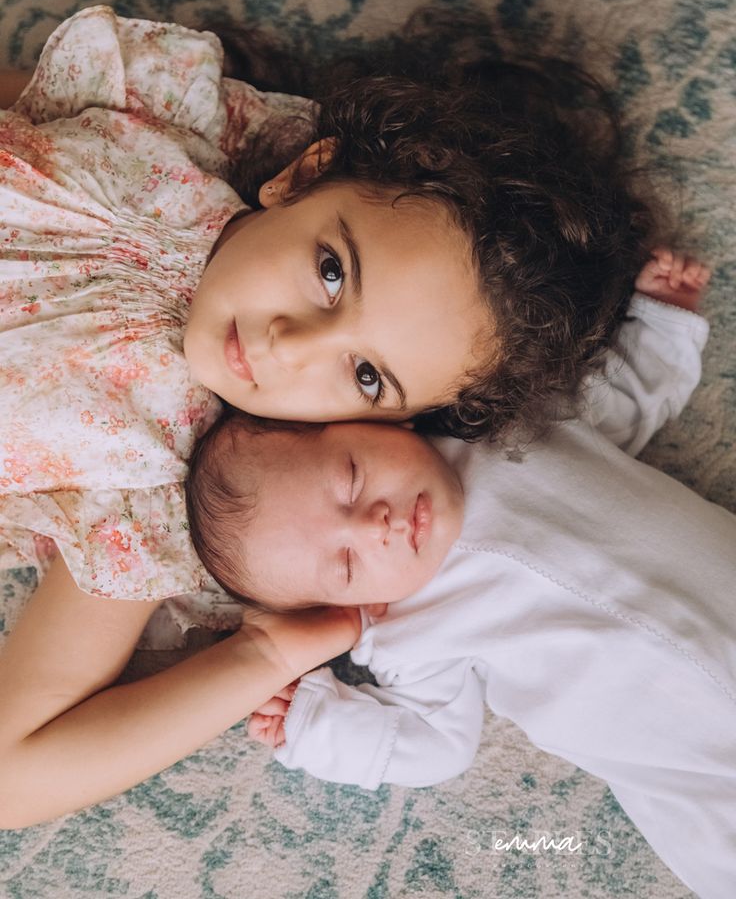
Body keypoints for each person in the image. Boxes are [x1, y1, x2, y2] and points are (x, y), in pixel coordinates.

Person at [0, 2, 675, 826]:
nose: (289, 342)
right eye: (330, 272)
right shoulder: (167, 132)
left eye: (363, 374)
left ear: (383, 427)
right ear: (301, 177)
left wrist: (266, 653)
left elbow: (13, 776)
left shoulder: (144, 477)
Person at [200, 261, 733, 899]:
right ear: (347, 599)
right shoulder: (402, 629)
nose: (375, 525)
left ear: (365, 421)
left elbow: (621, 403)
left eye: (350, 478)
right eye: (345, 564)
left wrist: (662, 322)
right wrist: (318, 727)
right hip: (700, 771)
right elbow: (432, 746)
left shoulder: (507, 426)